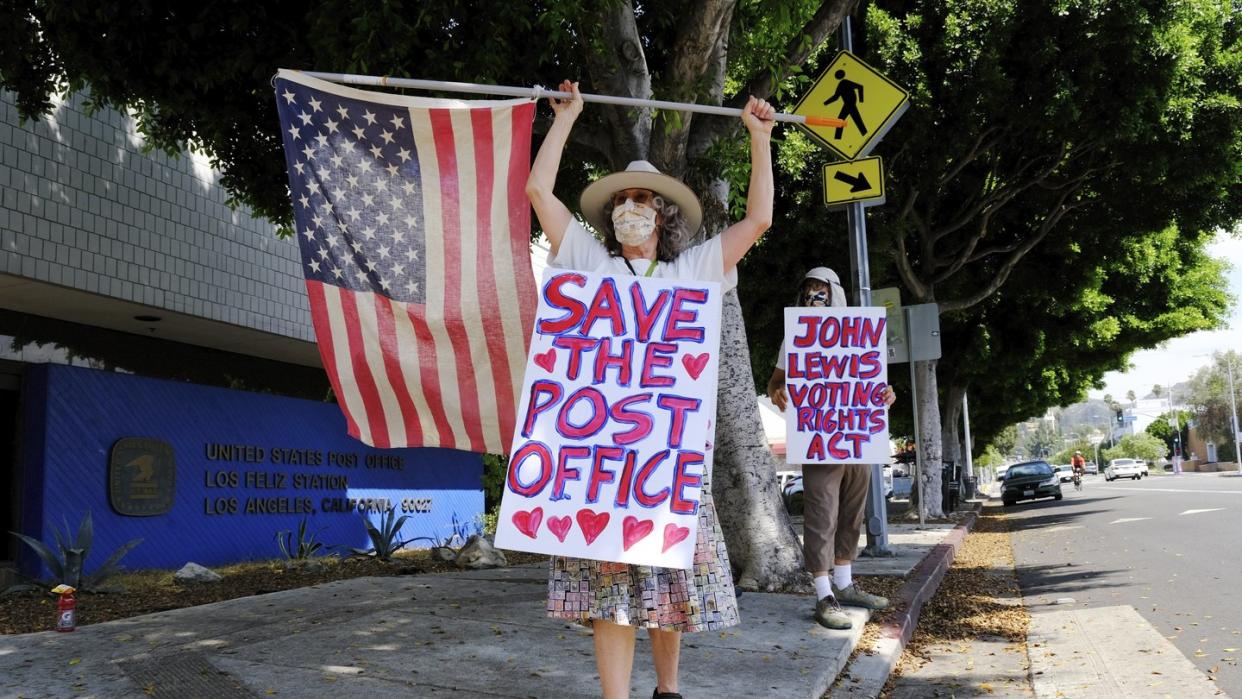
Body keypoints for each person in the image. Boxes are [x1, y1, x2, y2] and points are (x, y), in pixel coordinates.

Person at [525, 79, 776, 699]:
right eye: (623, 198)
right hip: (604, 465)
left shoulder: (691, 272)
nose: (630, 206)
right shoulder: (589, 262)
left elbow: (759, 219)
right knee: (611, 591)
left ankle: (668, 691)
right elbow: (537, 191)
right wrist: (565, 118)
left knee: (669, 584)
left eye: (642, 198)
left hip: (668, 463)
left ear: (662, 215)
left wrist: (760, 139)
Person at [766, 267, 895, 630]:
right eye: (808, 292)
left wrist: (887, 395)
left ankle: (845, 583)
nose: (814, 299)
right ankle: (824, 594)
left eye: (820, 292)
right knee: (822, 514)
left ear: (835, 293)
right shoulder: (795, 337)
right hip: (819, 438)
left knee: (852, 513)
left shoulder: (859, 335)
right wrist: (779, 392)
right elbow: (776, 381)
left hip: (856, 438)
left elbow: (876, 384)